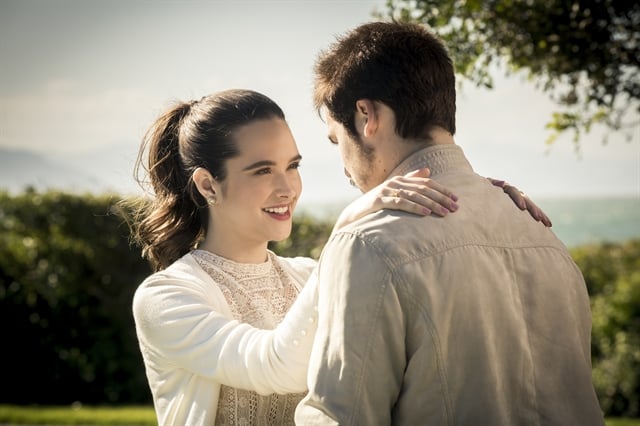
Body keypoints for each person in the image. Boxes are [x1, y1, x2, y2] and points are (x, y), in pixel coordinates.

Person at [295, 21, 604, 425]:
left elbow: (341, 417)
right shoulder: (541, 231)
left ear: (366, 115)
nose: (346, 170)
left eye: (338, 141)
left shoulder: (368, 244)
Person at [129, 88, 471, 426]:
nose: (288, 188)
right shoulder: (164, 297)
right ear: (207, 185)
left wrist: (483, 203)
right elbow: (274, 366)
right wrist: (346, 228)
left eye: (292, 166)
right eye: (263, 171)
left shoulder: (308, 275)